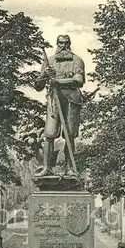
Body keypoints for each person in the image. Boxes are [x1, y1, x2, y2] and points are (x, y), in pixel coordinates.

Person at [35, 34, 85, 176]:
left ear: (70, 43)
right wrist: (45, 75)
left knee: (69, 135)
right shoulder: (49, 61)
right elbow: (39, 86)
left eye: (66, 43)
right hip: (53, 99)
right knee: (49, 134)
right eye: (60, 43)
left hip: (71, 100)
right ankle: (46, 168)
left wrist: (58, 82)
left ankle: (69, 168)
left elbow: (78, 80)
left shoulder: (77, 60)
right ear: (57, 44)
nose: (63, 46)